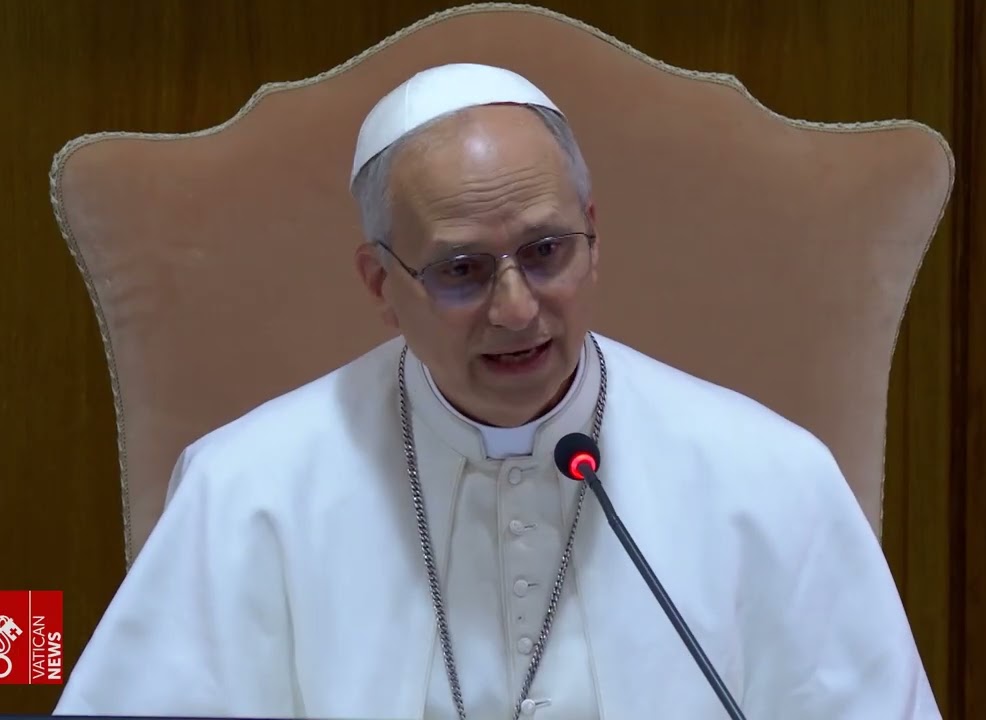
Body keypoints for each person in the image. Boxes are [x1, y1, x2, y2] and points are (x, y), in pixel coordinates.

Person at [53, 63, 941, 719]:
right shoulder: (248, 492)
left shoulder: (768, 478)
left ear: (595, 234)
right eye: (462, 270)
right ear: (379, 285)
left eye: (548, 252)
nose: (517, 310)